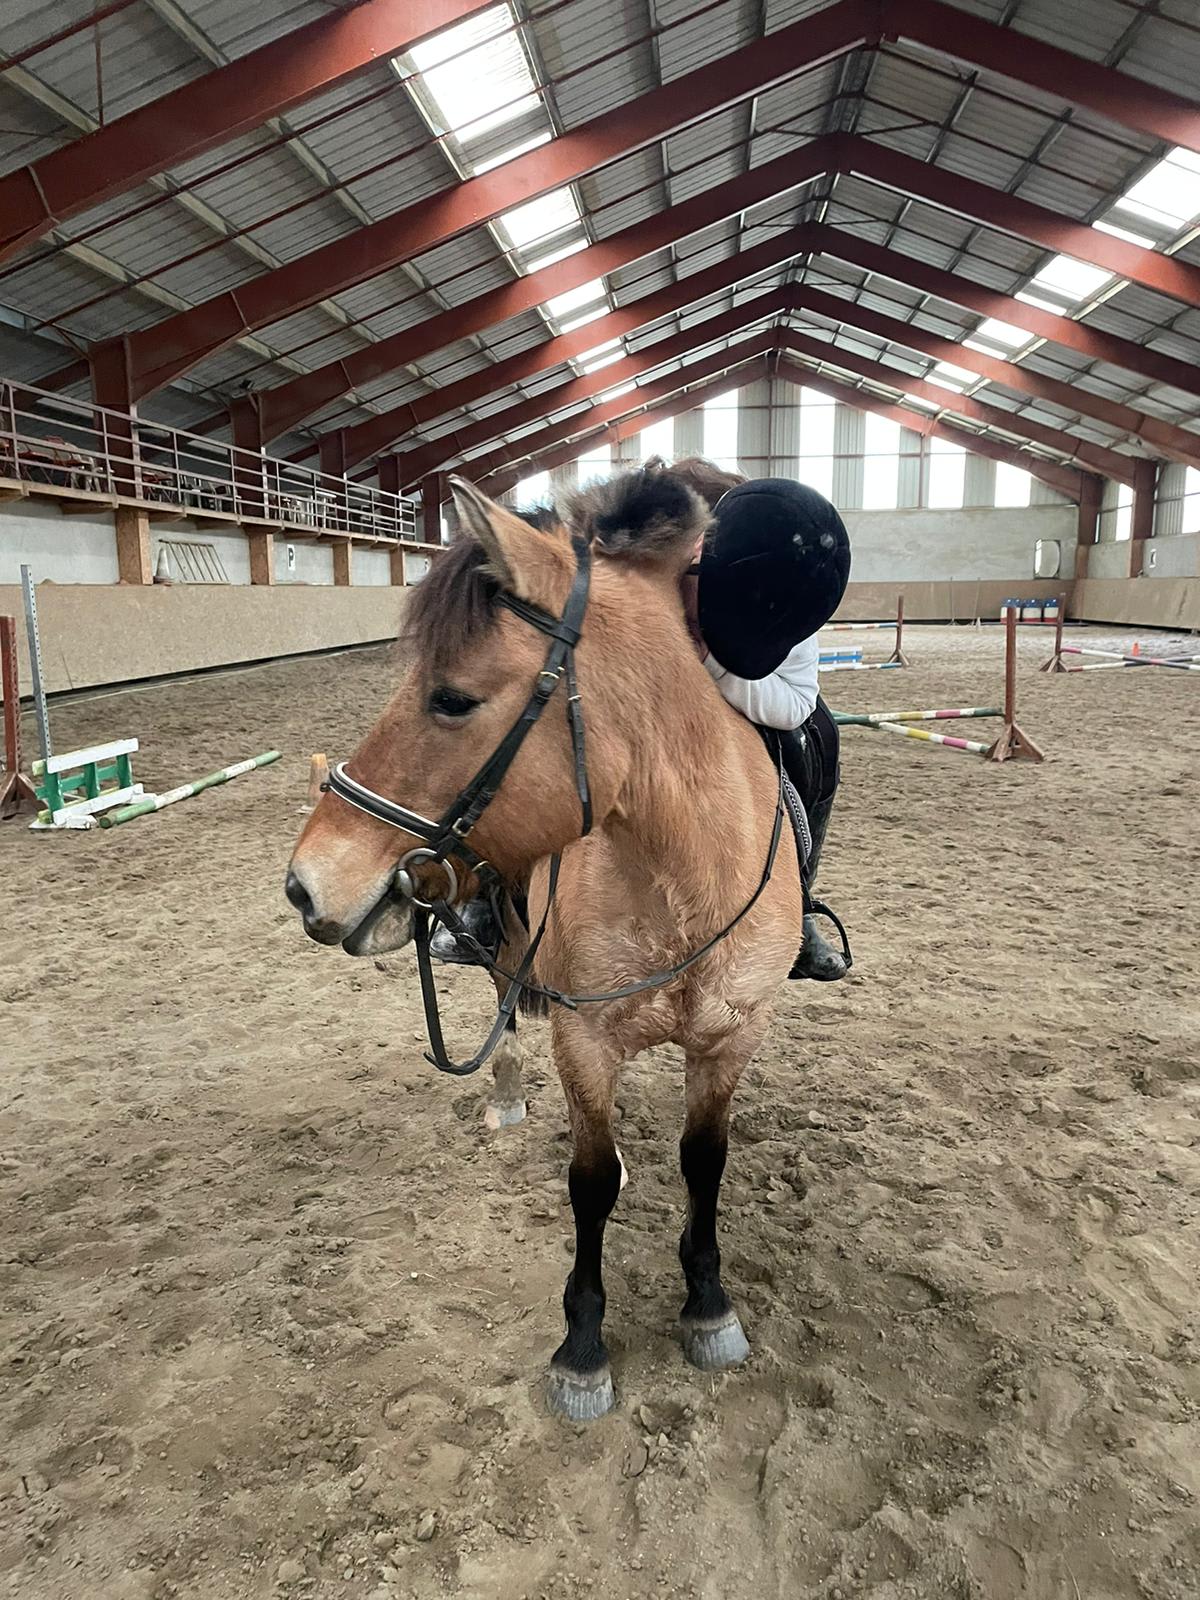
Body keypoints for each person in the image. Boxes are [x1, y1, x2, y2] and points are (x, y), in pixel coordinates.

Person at [432, 456, 851, 981]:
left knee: (818, 739)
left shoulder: (782, 597)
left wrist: (704, 667)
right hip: (636, 695)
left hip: (740, 697)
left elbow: (793, 703)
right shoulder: (649, 571)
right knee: (540, 740)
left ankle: (800, 893)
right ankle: (491, 903)